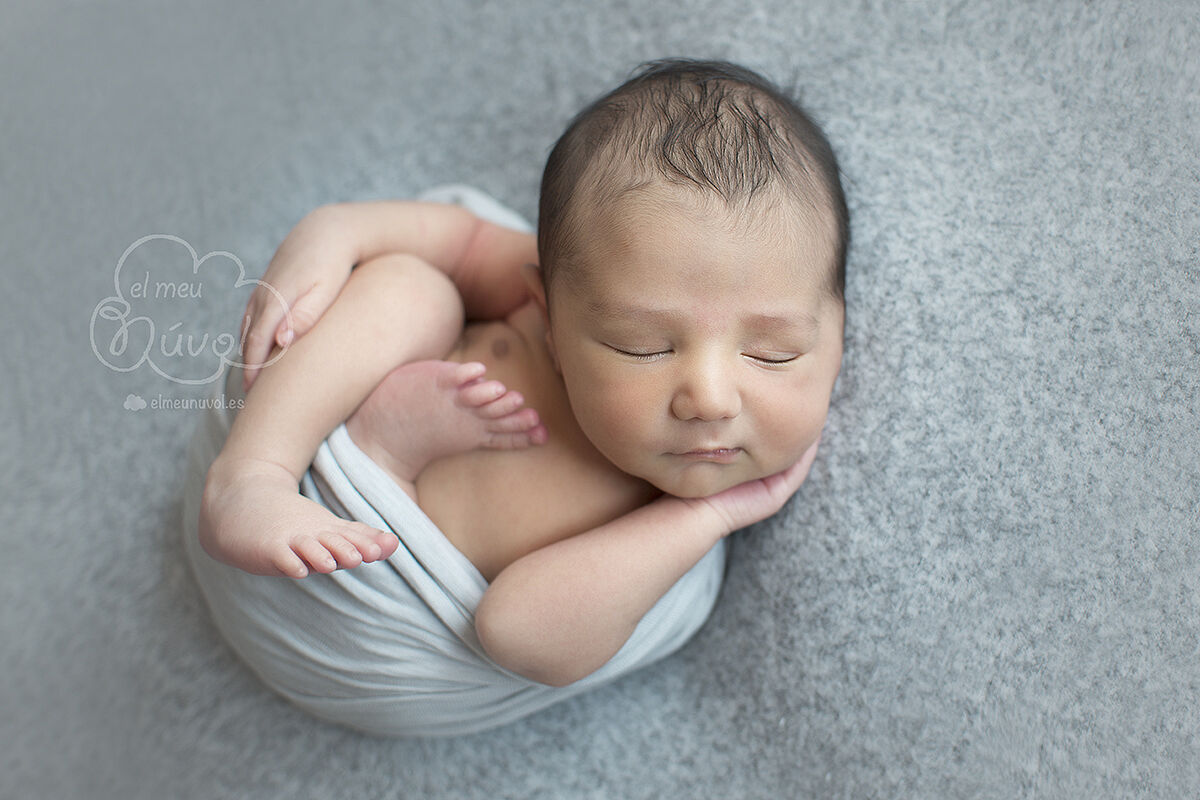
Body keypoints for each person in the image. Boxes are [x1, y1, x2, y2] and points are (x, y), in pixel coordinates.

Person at [194, 58, 848, 696]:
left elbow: (516, 631)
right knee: (411, 288)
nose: (709, 397)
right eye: (641, 345)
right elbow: (459, 243)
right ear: (552, 320)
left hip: (356, 603)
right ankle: (252, 473)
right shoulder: (590, 281)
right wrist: (335, 229)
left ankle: (387, 449)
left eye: (772, 353)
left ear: (838, 333)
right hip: (300, 471)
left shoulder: (661, 546)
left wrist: (709, 518)